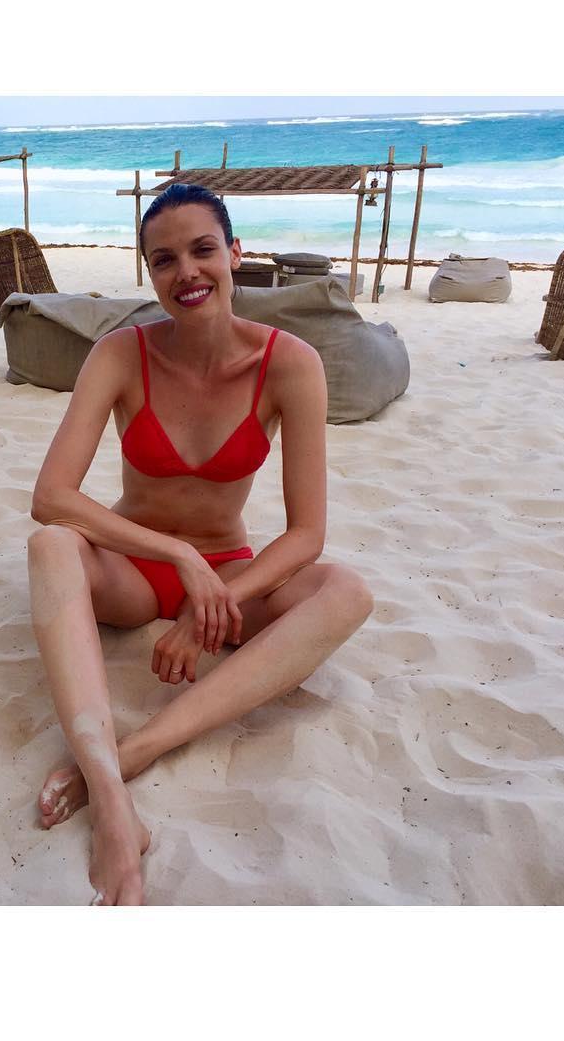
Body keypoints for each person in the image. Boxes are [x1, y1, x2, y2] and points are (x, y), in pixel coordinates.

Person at [27, 183, 374, 906]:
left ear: (235, 254)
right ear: (150, 273)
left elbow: (307, 534)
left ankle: (138, 749)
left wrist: (210, 599)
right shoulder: (121, 355)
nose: (186, 271)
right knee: (52, 546)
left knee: (347, 590)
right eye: (164, 260)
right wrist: (180, 557)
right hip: (134, 571)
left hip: (227, 579)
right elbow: (52, 496)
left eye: (202, 250)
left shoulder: (290, 364)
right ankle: (112, 801)